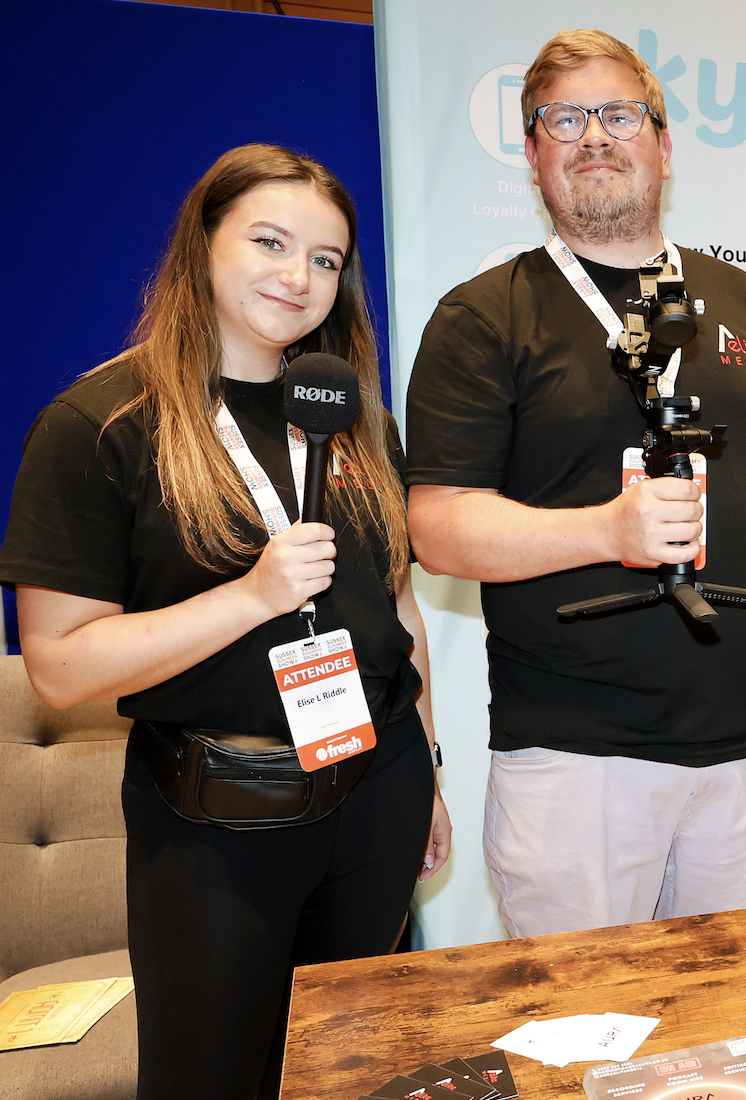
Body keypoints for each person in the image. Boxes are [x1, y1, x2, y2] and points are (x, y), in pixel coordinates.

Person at [0, 144, 449, 1100]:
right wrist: (248, 596)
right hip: (219, 819)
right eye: (271, 243)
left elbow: (396, 606)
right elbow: (60, 668)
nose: (299, 278)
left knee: (351, 1072)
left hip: (378, 789)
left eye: (326, 259)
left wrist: (430, 778)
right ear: (202, 243)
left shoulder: (349, 411)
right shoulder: (100, 425)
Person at [405, 29, 746, 937]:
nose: (595, 136)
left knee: (731, 1033)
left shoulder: (743, 299)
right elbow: (437, 527)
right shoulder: (482, 317)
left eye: (619, 114)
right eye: (565, 118)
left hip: (744, 745)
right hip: (575, 753)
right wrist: (608, 533)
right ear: (532, 155)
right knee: (586, 1046)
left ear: (663, 146)